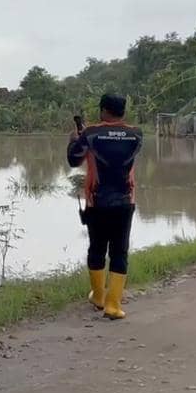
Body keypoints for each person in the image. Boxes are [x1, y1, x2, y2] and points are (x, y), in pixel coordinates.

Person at [67, 94, 143, 320]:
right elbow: (117, 153)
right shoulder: (136, 135)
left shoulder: (91, 133)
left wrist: (74, 140)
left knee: (97, 248)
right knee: (120, 251)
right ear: (123, 112)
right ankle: (113, 305)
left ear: (103, 110)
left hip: (97, 202)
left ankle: (98, 296)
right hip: (124, 201)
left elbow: (74, 159)